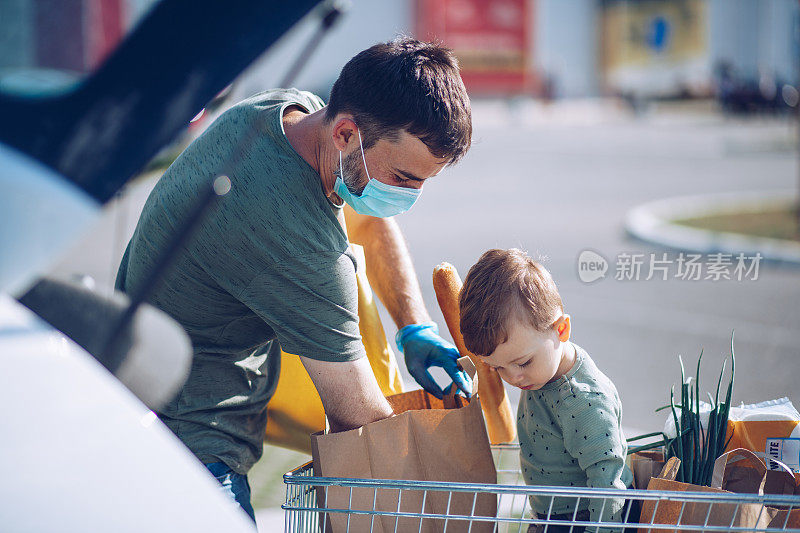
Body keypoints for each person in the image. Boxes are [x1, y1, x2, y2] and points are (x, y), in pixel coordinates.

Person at [115, 38, 473, 521]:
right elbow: (359, 418)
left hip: (139, 378)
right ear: (346, 133)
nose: (411, 197)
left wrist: (414, 326)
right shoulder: (293, 235)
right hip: (189, 436)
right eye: (404, 178)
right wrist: (450, 493)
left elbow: (366, 215)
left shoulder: (285, 115)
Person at [458, 249, 634, 533]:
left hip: (583, 520)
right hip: (550, 515)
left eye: (523, 362)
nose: (513, 377)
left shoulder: (584, 402)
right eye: (498, 368)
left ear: (561, 330)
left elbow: (608, 483)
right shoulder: (541, 372)